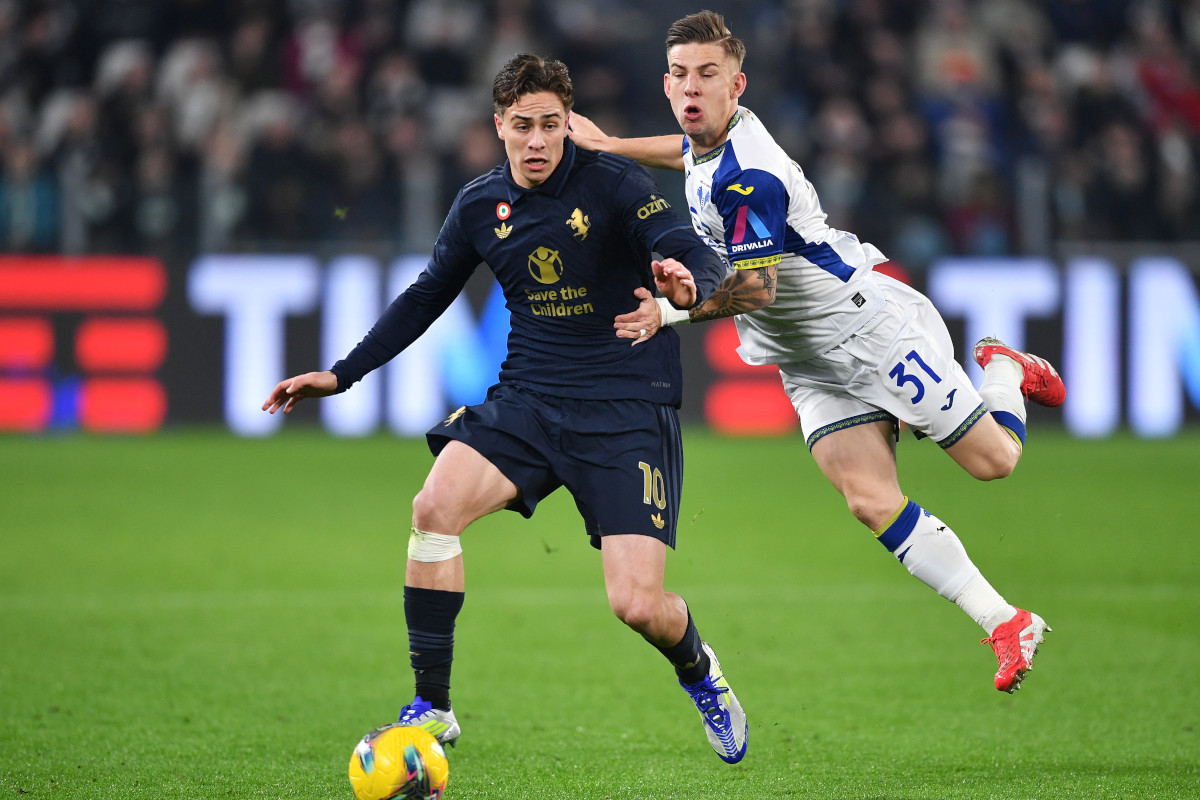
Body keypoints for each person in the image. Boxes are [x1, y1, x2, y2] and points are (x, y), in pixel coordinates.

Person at [262, 53, 749, 763]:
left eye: (551, 125)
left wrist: (685, 284)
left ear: (567, 124)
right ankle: (433, 708)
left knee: (637, 606)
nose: (538, 141)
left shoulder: (614, 183)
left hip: (624, 408)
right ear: (499, 127)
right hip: (530, 400)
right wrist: (342, 375)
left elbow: (685, 248)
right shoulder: (478, 205)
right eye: (523, 126)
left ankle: (700, 672)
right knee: (433, 508)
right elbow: (427, 296)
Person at [568, 11, 1062, 694]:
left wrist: (674, 309)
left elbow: (759, 289)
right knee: (869, 500)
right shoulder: (709, 142)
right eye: (680, 75)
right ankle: (1007, 621)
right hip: (805, 359)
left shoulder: (750, 176)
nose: (691, 88)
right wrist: (608, 145)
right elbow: (682, 154)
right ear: (666, 82)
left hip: (868, 334)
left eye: (707, 75)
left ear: (735, 86)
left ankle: (1007, 367)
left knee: (995, 462)